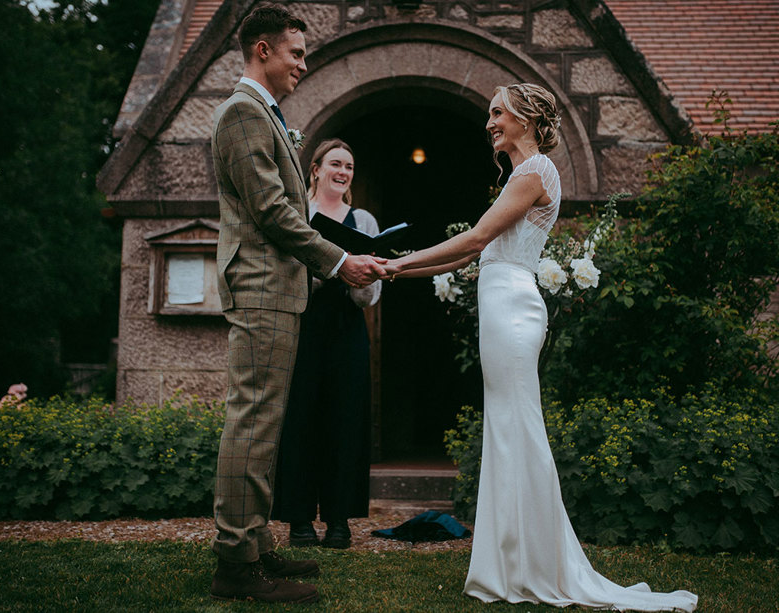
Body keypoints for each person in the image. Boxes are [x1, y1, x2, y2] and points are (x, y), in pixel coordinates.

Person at [382, 83, 698, 611]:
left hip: (511, 308)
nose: (489, 122)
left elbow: (476, 239)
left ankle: (526, 565)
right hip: (503, 301)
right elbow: (467, 259)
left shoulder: (533, 173)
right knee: (506, 429)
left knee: (515, 430)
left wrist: (396, 262)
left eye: (497, 112)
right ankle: (512, 563)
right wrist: (402, 271)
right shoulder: (521, 176)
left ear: (526, 118)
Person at [209, 5, 385, 604]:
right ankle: (236, 564)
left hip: (277, 292)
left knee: (265, 426)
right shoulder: (242, 113)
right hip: (261, 288)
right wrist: (338, 260)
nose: (304, 65)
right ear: (262, 50)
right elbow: (273, 212)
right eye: (296, 54)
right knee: (252, 425)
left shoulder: (265, 115)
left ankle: (254, 545)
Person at [272, 139, 379, 550]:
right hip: (303, 324)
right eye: (335, 163)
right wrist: (327, 269)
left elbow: (370, 295)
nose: (343, 171)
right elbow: (285, 271)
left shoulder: (364, 220)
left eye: (349, 166)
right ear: (314, 169)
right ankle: (298, 518)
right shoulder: (298, 214)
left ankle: (339, 519)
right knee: (301, 417)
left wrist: (363, 278)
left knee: (346, 419)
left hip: (348, 325)